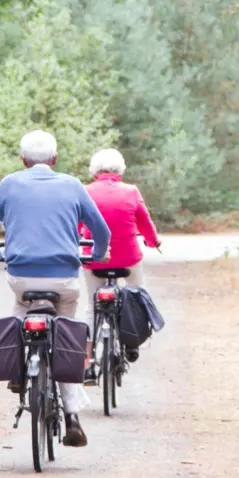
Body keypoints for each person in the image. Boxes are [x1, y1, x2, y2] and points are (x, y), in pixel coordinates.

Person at [0, 130, 109, 448]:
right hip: (63, 279)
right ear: (55, 159)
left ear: (23, 160)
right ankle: (73, 417)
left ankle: (16, 369)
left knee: (21, 310)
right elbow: (100, 230)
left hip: (21, 277)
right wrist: (94, 254)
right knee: (66, 337)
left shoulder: (10, 183)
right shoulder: (72, 185)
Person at [79, 149, 160, 362]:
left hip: (94, 258)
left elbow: (75, 224)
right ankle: (133, 343)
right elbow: (145, 222)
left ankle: (86, 361)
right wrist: (153, 241)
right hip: (127, 259)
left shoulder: (85, 191)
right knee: (137, 294)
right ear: (120, 169)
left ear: (95, 170)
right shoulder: (131, 191)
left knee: (91, 306)